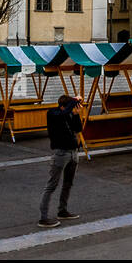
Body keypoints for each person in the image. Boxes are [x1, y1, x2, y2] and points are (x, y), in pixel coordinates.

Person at [39, 94, 84, 227]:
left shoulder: (68, 114)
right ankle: (43, 217)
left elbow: (78, 129)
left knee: (68, 183)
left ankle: (62, 210)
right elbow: (63, 114)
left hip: (73, 152)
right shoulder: (53, 114)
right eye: (71, 106)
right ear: (63, 106)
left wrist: (76, 114)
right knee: (51, 185)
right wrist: (76, 100)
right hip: (61, 153)